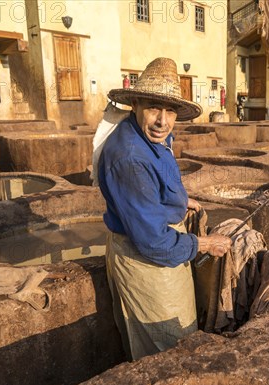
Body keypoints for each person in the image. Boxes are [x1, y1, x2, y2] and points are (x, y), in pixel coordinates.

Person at [97, 57, 232, 361]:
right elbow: (152, 241)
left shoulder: (154, 136)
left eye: (170, 110)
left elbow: (159, 180)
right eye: (153, 108)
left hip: (164, 245)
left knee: (181, 335)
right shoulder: (130, 157)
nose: (163, 120)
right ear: (135, 104)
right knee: (166, 348)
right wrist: (205, 244)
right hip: (146, 256)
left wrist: (181, 201)